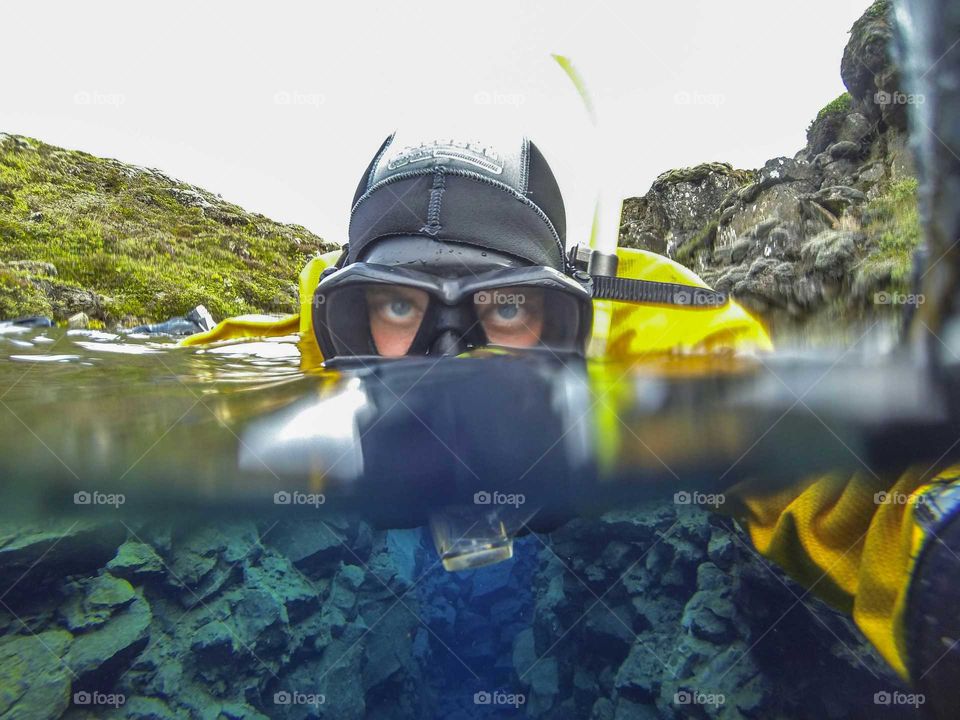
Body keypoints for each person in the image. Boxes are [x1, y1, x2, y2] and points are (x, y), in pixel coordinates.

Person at [182, 131, 960, 709]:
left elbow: (812, 465)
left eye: (507, 308)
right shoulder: (304, 357)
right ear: (342, 318)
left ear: (569, 316)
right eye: (394, 305)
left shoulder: (649, 339)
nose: (451, 362)